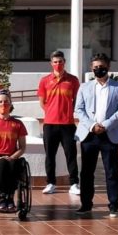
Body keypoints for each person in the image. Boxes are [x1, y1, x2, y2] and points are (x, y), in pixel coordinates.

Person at [74, 53, 118, 217]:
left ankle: (113, 204)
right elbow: (79, 109)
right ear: (91, 68)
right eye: (95, 67)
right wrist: (92, 126)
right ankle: (86, 204)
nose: (99, 69)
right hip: (89, 135)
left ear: (108, 67)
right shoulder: (84, 87)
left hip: (109, 135)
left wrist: (105, 125)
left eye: (102, 66)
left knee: (111, 171)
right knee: (86, 172)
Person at [38, 50, 81, 195]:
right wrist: (51, 112)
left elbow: (77, 101)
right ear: (51, 63)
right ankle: (50, 183)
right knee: (50, 155)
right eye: (55, 62)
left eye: (60, 62)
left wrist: (68, 112)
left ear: (64, 62)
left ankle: (74, 183)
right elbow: (42, 102)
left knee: (71, 154)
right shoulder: (44, 80)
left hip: (68, 124)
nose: (58, 64)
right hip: (49, 124)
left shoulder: (73, 80)